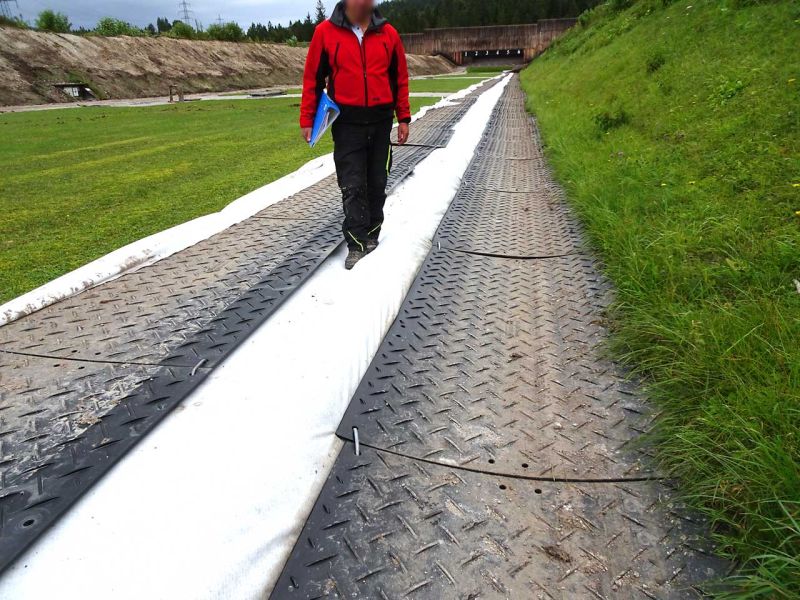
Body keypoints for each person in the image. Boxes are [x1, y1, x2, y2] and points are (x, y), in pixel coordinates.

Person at [300, 0, 411, 270]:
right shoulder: (325, 33)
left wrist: (404, 117)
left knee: (376, 181)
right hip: (347, 123)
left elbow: (400, 77)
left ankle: (372, 234)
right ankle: (356, 243)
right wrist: (307, 118)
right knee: (352, 184)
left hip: (381, 120)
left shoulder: (389, 34)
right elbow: (312, 79)